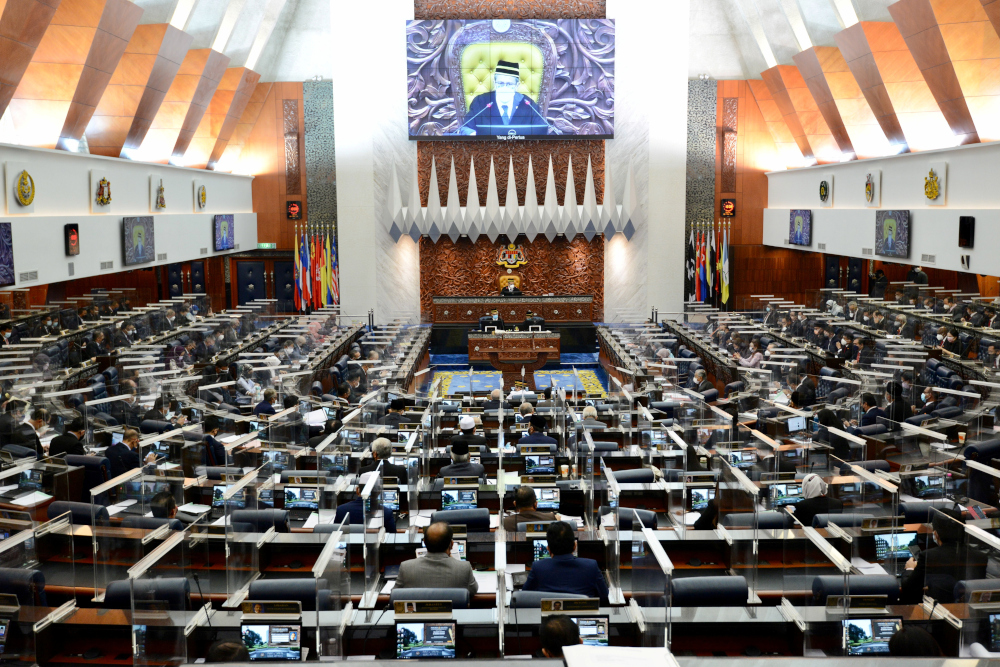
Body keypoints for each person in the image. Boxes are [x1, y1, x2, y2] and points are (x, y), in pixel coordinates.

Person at [901, 508, 987, 603]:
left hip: (939, 610)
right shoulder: (981, 557)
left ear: (936, 534)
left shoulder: (929, 556)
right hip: (968, 610)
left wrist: (910, 569)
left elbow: (909, 588)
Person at [523, 521, 609, 604]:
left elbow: (525, 597)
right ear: (575, 546)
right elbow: (604, 596)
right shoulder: (591, 566)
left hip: (549, 617)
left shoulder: (538, 567)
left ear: (548, 549)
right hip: (581, 615)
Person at [460, 60, 549, 136]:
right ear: (495, 83)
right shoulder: (481, 102)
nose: (504, 87)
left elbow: (540, 131)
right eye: (501, 83)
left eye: (509, 84)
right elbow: (465, 128)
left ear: (516, 86)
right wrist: (477, 137)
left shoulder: (528, 104)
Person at [395, 522, 477, 594]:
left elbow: (395, 595)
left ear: (425, 543)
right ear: (451, 545)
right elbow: (473, 591)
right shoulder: (464, 568)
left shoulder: (406, 567)